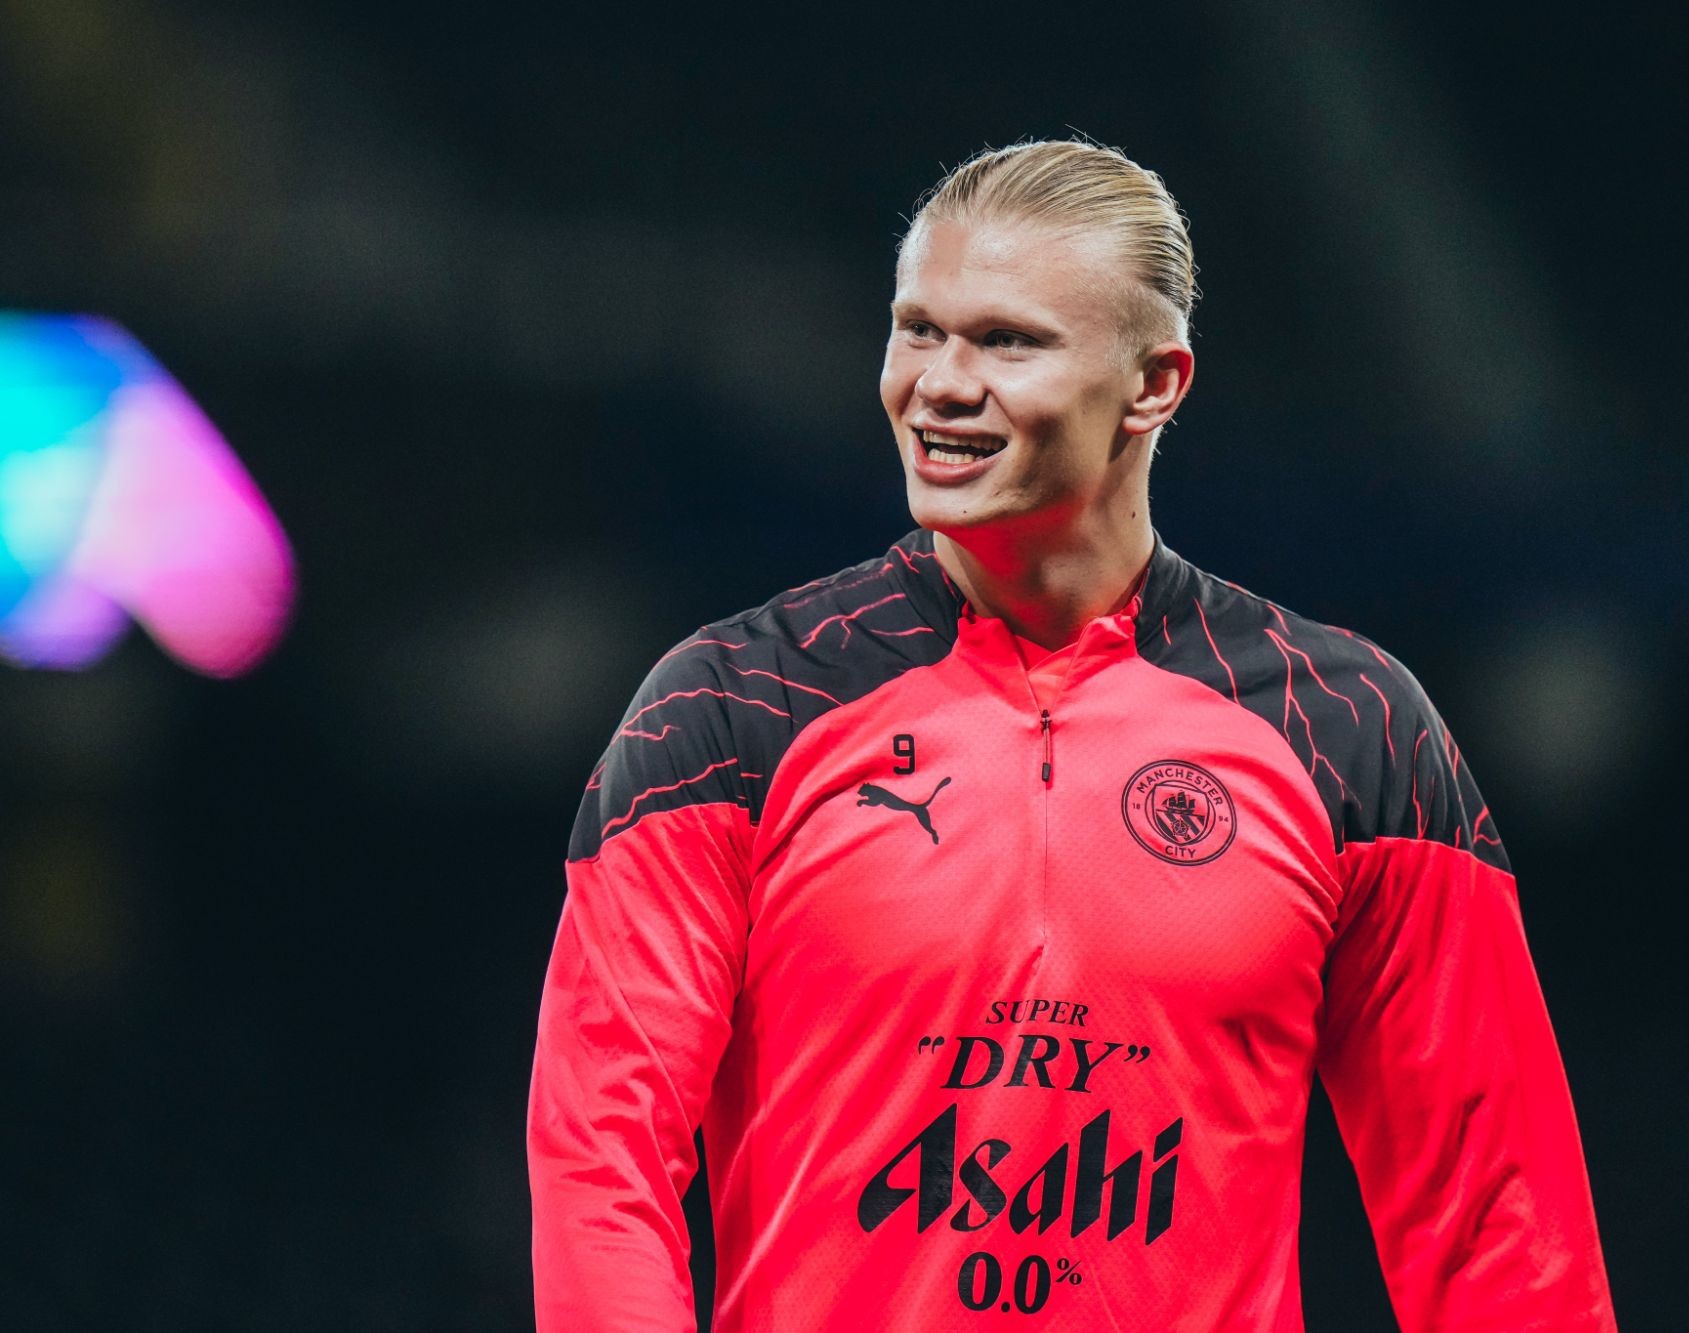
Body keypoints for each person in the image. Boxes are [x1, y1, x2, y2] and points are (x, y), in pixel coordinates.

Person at [527, 139, 1615, 1331]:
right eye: (916, 330)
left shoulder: (1347, 728)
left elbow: (1494, 1216)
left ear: (1154, 384)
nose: (938, 385)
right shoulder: (733, 704)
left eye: (1006, 341)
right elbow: (602, 1156)